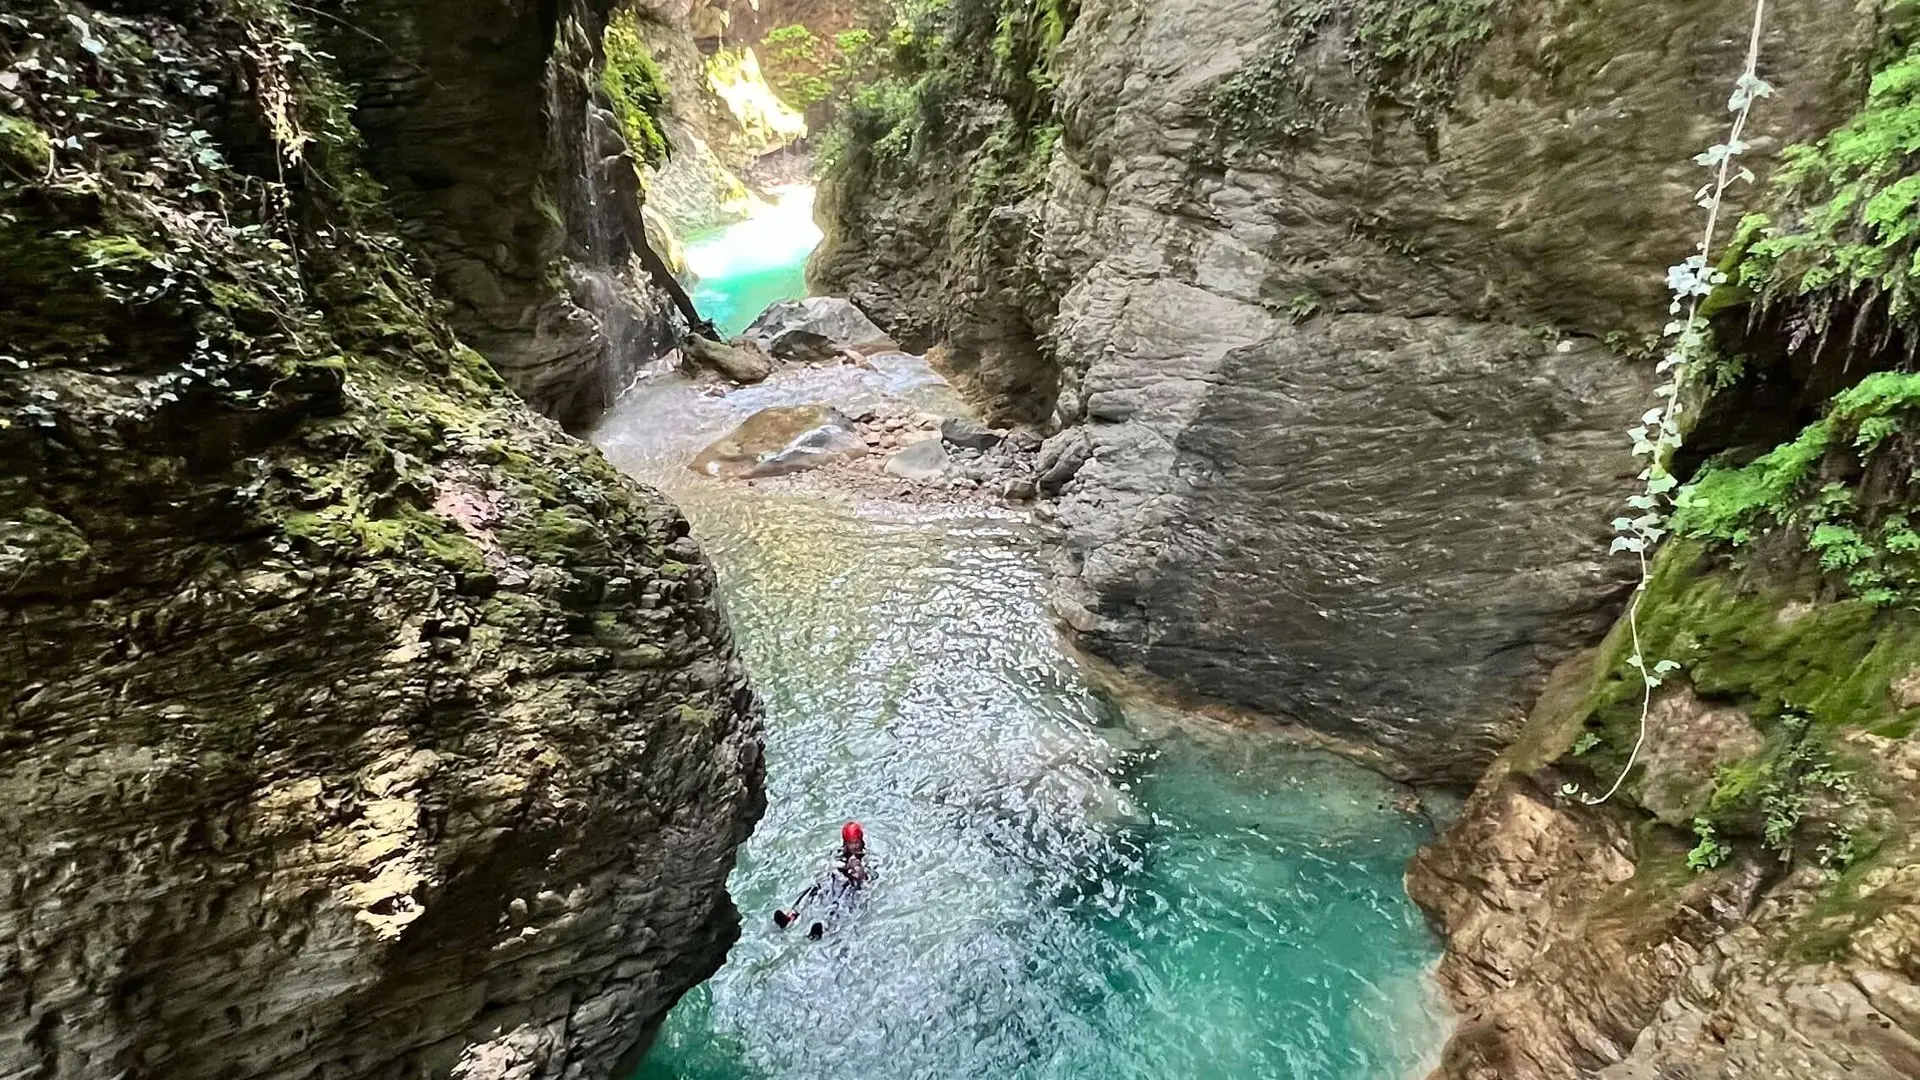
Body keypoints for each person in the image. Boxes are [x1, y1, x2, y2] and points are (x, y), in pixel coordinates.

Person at [774, 821, 869, 939]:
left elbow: (867, 877)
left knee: (840, 902)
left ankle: (825, 927)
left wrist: (858, 870)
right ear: (845, 842)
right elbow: (828, 863)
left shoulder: (866, 857)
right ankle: (792, 914)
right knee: (814, 888)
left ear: (861, 840)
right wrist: (840, 867)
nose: (854, 846)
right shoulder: (838, 853)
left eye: (856, 842)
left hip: (850, 885)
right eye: (851, 843)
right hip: (834, 877)